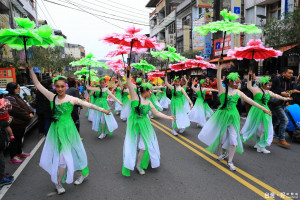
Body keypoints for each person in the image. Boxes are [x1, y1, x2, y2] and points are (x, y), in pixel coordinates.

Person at [27, 63, 110, 194]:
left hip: (69, 130)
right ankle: (59, 183)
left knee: (74, 152)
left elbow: (87, 104)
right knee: (62, 156)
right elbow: (37, 84)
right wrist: (31, 70)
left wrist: (103, 110)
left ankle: (69, 179)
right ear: (55, 87)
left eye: (62, 87)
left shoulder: (71, 99)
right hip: (56, 131)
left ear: (65, 87)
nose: (60, 89)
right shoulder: (51, 96)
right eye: (57, 86)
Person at [198, 60, 271, 171]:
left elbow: (252, 101)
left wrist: (263, 109)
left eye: (239, 82)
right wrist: (219, 67)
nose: (238, 84)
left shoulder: (238, 92)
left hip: (233, 117)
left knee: (233, 140)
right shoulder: (222, 90)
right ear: (229, 82)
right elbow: (218, 79)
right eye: (236, 82)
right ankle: (223, 153)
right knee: (222, 138)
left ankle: (230, 161)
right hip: (222, 116)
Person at [122, 68, 174, 176]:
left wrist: (168, 117)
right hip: (134, 124)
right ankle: (130, 161)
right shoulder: (135, 97)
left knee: (144, 146)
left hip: (145, 124)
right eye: (150, 91)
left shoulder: (149, 102)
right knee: (131, 144)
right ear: (145, 91)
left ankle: (138, 165)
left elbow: (156, 113)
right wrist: (128, 73)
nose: (151, 93)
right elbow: (129, 83)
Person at [241, 73, 292, 154]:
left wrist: (286, 98)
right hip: (256, 110)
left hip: (266, 111)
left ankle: (260, 145)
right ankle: (260, 146)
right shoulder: (256, 90)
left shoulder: (268, 92)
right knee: (259, 128)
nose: (270, 87)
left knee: (265, 128)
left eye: (270, 85)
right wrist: (249, 77)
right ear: (263, 84)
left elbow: (277, 96)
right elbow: (248, 86)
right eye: (268, 85)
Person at [269, 68, 300, 147]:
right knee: (284, 120)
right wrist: (280, 93)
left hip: (282, 103)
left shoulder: (289, 81)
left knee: (275, 121)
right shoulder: (276, 80)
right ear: (284, 73)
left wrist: (290, 93)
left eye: (292, 73)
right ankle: (281, 139)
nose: (291, 75)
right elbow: (269, 90)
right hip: (274, 103)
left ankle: (270, 136)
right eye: (289, 73)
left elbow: (287, 91)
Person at [5, 82, 33, 164]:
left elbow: (25, 106)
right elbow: (18, 110)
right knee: (14, 140)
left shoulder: (17, 96)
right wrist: (28, 116)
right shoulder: (9, 98)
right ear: (13, 89)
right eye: (18, 88)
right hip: (15, 124)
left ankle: (19, 153)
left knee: (19, 138)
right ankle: (13, 156)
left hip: (21, 123)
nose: (19, 89)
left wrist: (31, 111)